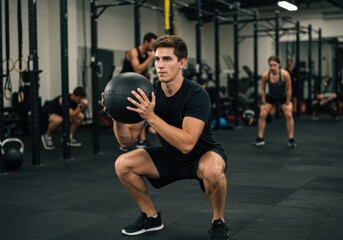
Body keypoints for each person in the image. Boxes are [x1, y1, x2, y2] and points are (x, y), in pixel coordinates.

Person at [102, 35, 229, 240]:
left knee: (213, 170)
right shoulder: (149, 93)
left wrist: (150, 116)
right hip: (170, 156)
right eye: (157, 60)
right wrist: (114, 115)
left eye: (167, 59)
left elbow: (188, 144)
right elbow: (126, 141)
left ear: (181, 63)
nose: (160, 65)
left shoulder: (196, 94)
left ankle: (218, 221)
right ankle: (151, 217)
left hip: (201, 154)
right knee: (123, 164)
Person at [119, 32, 158, 152]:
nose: (153, 47)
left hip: (135, 85)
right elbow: (137, 68)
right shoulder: (133, 52)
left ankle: (141, 140)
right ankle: (124, 142)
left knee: (141, 111)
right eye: (152, 44)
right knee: (127, 114)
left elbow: (142, 72)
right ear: (145, 42)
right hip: (123, 85)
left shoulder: (146, 54)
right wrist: (150, 58)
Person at [253, 55, 297, 148]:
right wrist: (264, 102)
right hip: (271, 96)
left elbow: (289, 89)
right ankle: (260, 138)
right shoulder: (266, 75)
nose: (272, 67)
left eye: (274, 65)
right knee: (262, 114)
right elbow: (263, 89)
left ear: (279, 65)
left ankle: (291, 139)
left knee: (289, 114)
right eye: (270, 65)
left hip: (283, 96)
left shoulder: (285, 74)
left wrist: (288, 101)